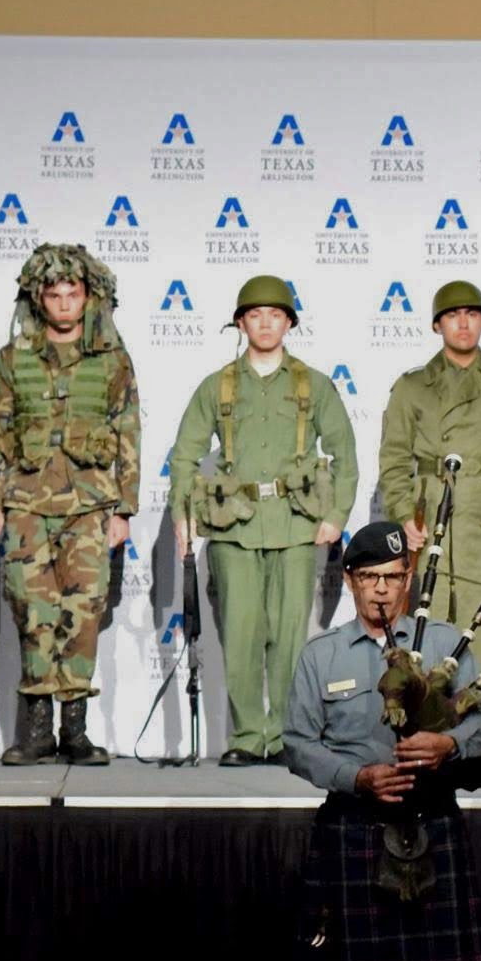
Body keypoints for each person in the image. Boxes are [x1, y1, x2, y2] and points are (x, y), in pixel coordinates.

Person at [284, 521, 481, 961]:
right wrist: (355, 776)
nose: (382, 592)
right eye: (370, 579)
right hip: (353, 826)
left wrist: (450, 744)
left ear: (410, 581)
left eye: (394, 578)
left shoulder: (446, 646)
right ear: (350, 582)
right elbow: (297, 744)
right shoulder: (321, 656)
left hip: (430, 822)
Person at [170, 274, 358, 766]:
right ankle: (249, 736)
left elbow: (345, 453)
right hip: (233, 526)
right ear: (240, 322)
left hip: (296, 524)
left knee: (292, 636)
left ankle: (285, 736)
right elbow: (185, 455)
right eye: (256, 315)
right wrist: (183, 517)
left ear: (290, 323)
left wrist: (336, 515)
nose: (266, 323)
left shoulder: (314, 385)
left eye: (276, 315)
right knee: (241, 633)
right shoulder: (218, 387)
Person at [0, 244, 140, 767]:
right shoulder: (12, 358)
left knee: (84, 612)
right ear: (38, 299)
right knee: (32, 611)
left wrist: (125, 509)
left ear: (89, 297)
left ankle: (76, 731)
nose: (64, 303)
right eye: (54, 293)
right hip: (24, 502)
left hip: (89, 505)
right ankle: (37, 730)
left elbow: (128, 430)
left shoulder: (112, 359)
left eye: (73, 293)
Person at [376, 280, 481, 703]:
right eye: (452, 315)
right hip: (431, 515)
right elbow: (394, 458)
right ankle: (430, 739)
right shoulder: (412, 386)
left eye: (472, 314)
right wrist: (401, 515)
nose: (463, 323)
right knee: (426, 630)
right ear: (438, 325)